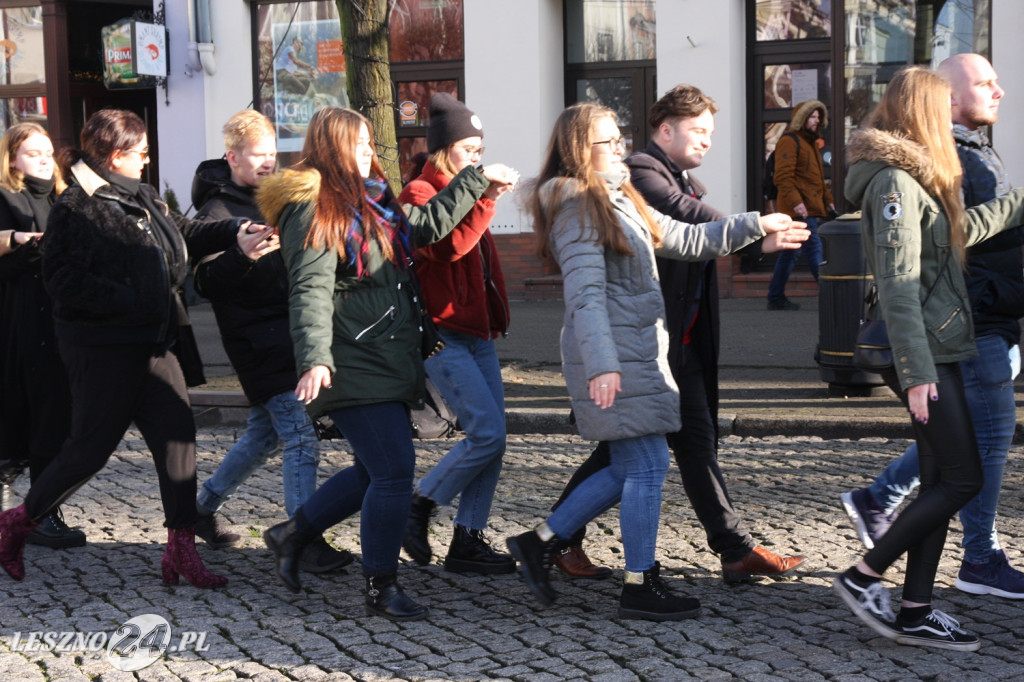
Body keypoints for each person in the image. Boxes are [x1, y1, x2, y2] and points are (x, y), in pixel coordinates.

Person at [505, 103, 803, 621]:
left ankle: (541, 541)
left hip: (638, 349)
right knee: (648, 464)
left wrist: (756, 226)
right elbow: (585, 293)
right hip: (616, 353)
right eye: (607, 142)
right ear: (580, 149)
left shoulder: (616, 194)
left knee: (631, 465)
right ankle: (639, 582)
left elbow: (687, 238)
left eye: (618, 138)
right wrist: (601, 362)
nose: (619, 147)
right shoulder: (577, 203)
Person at [259, 106, 517, 620]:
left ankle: (294, 533)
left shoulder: (374, 199)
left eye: (369, 144)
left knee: (372, 470)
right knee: (395, 471)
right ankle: (381, 586)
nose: (367, 153)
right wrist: (314, 360)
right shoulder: (311, 208)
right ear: (332, 148)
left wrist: (475, 185)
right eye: (357, 145)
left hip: (390, 354)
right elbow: (309, 290)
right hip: (350, 358)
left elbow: (425, 228)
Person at [0, 109, 246, 587]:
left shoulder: (145, 195)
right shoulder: (76, 206)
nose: (147, 159)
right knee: (87, 451)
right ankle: (15, 524)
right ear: (116, 155)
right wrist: (131, 298)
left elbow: (184, 231)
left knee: (178, 440)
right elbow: (62, 279)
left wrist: (236, 231)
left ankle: (180, 552)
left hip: (155, 345)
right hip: (103, 351)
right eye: (141, 151)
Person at [836, 65, 1024, 652]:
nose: (950, 120)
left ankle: (916, 609)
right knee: (964, 476)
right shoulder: (893, 183)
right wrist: (918, 375)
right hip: (921, 353)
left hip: (937, 346)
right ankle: (863, 576)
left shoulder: (917, 180)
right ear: (923, 114)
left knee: (943, 478)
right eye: (942, 109)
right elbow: (896, 286)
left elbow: (963, 232)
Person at [189, 110, 351, 573]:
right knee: (301, 436)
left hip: (289, 335)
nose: (267, 162)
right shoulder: (215, 214)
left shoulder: (278, 197)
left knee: (263, 436)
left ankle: (200, 511)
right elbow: (207, 285)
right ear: (232, 157)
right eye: (256, 154)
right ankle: (302, 536)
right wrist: (242, 255)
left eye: (271, 153)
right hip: (257, 343)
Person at [399, 94, 517, 574]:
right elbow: (448, 250)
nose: (476, 157)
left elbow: (480, 266)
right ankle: (421, 504)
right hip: (442, 333)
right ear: (443, 148)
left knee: (495, 437)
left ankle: (467, 539)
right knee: (486, 433)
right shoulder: (418, 195)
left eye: (479, 148)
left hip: (477, 332)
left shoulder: (464, 188)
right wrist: (484, 197)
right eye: (467, 149)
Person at [0, 123, 86, 549]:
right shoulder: (4, 198)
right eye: (33, 152)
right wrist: (23, 244)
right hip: (20, 322)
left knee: (57, 414)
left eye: (48, 152)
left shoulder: (61, 197)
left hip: (60, 320)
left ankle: (39, 508)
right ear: (12, 158)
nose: (43, 159)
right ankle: (31, 513)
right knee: (29, 414)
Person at [766, 99, 835, 311]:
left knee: (791, 252)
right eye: (811, 117)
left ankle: (775, 297)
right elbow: (783, 177)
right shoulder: (790, 140)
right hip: (800, 209)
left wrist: (829, 202)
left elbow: (816, 179)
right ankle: (831, 296)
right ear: (801, 119)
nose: (816, 121)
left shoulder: (810, 142)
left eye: (817, 117)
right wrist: (797, 203)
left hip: (809, 206)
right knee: (814, 249)